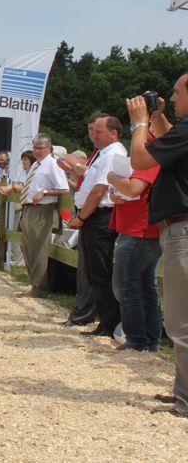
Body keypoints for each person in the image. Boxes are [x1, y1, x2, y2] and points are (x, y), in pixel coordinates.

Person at [127, 76, 188, 417]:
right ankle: (183, 391)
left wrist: (138, 123)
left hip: (182, 230)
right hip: (178, 230)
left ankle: (186, 400)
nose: (173, 97)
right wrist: (157, 117)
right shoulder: (184, 131)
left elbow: (140, 159)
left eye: (178, 92)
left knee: (182, 323)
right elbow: (169, 141)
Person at [66, 115, 126, 338]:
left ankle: (111, 323)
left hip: (100, 216)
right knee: (94, 271)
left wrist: (81, 217)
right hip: (93, 215)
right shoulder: (102, 154)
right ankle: (105, 321)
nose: (94, 135)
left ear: (113, 133)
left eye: (99, 131)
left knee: (101, 271)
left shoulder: (113, 153)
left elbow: (99, 190)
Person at [107, 159, 161, 352]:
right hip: (145, 231)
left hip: (139, 231)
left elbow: (133, 188)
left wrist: (112, 178)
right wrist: (115, 193)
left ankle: (137, 340)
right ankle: (150, 341)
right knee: (147, 288)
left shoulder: (148, 162)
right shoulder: (154, 161)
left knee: (126, 286)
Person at [5, 135, 69, 297]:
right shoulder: (37, 165)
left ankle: (40, 287)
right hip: (28, 208)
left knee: (38, 248)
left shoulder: (52, 164)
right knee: (27, 246)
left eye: (41, 148)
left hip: (42, 209)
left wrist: (45, 192)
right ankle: (34, 283)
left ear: (49, 148)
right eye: (35, 148)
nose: (37, 151)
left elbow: (64, 189)